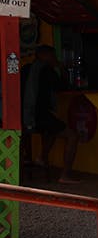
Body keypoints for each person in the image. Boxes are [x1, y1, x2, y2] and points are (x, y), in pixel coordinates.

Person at [22, 45, 79, 183]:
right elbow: (62, 87)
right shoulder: (47, 70)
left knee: (53, 129)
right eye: (53, 56)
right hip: (39, 116)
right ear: (44, 56)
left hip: (24, 115)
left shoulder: (26, 69)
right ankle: (65, 175)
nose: (55, 59)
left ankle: (41, 157)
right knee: (72, 136)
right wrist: (62, 68)